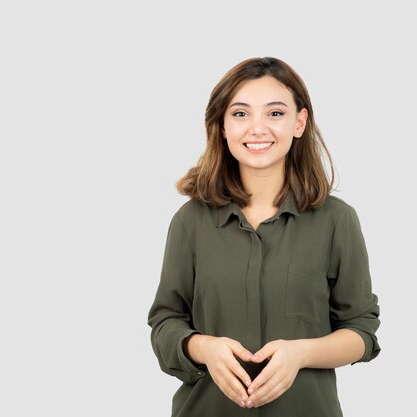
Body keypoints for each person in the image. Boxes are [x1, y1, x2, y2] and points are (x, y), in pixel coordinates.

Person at [146, 57, 381, 416]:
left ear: (299, 122)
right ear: (222, 126)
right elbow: (165, 323)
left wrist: (301, 353)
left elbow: (361, 331)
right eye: (240, 114)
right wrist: (203, 347)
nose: (258, 128)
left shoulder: (337, 220)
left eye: (274, 113)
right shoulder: (189, 221)